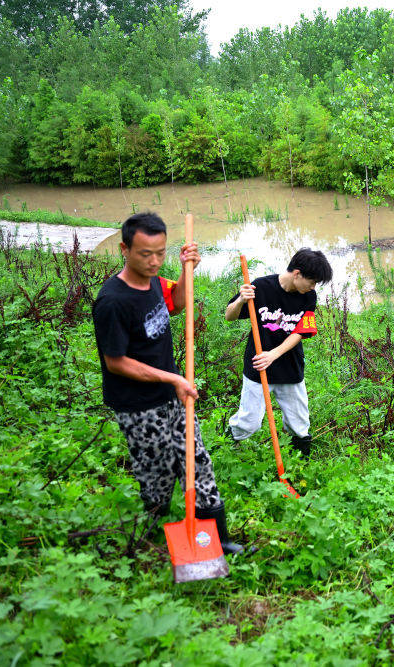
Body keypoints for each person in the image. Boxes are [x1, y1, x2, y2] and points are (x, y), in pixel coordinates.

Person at [92, 212, 242, 554]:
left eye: (160, 252)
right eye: (145, 254)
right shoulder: (113, 302)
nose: (154, 261)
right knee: (157, 475)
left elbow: (176, 303)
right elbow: (115, 362)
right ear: (124, 249)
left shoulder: (155, 283)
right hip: (139, 405)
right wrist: (173, 377)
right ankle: (150, 535)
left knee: (198, 460)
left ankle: (218, 540)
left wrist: (187, 269)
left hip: (173, 395)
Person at [224, 248, 332, 457]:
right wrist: (240, 301)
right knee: (249, 422)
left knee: (299, 423)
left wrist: (273, 354)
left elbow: (302, 331)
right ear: (297, 274)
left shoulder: (308, 296)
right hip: (258, 365)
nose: (313, 286)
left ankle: (299, 463)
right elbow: (229, 316)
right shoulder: (262, 287)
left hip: (289, 366)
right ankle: (228, 448)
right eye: (312, 281)